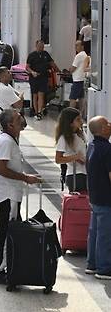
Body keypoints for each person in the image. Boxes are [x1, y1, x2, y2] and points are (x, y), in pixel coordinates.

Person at [0, 109, 41, 284]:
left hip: (8, 192)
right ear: (10, 125)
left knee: (8, 229)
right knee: (6, 230)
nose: (22, 120)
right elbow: (1, 168)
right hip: (8, 194)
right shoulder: (6, 142)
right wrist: (25, 178)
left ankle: (7, 265)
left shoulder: (2, 136)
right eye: (19, 119)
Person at [86, 116, 111, 280]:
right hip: (106, 197)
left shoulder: (91, 145)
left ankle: (92, 263)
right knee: (105, 234)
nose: (110, 125)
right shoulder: (108, 149)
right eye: (107, 123)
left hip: (94, 195)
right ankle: (104, 268)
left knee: (94, 231)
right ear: (102, 129)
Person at [55, 107, 87, 193]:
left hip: (86, 172)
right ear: (70, 122)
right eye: (78, 119)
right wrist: (75, 157)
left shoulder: (81, 133)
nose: (81, 121)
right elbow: (58, 159)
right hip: (75, 175)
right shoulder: (63, 138)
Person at [26, 40, 58, 120]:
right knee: (35, 95)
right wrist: (32, 72)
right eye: (40, 46)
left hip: (43, 77)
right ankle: (36, 111)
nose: (41, 48)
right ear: (36, 46)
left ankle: (39, 112)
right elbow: (27, 67)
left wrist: (58, 70)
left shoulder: (45, 54)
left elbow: (51, 63)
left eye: (43, 47)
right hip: (34, 78)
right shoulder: (31, 55)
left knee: (41, 94)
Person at [68, 40, 90, 111]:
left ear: (82, 46)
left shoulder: (79, 56)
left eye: (77, 45)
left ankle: (71, 114)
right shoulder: (85, 55)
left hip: (77, 80)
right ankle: (81, 114)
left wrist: (70, 70)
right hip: (82, 79)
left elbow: (73, 68)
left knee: (72, 98)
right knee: (81, 98)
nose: (75, 47)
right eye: (75, 45)